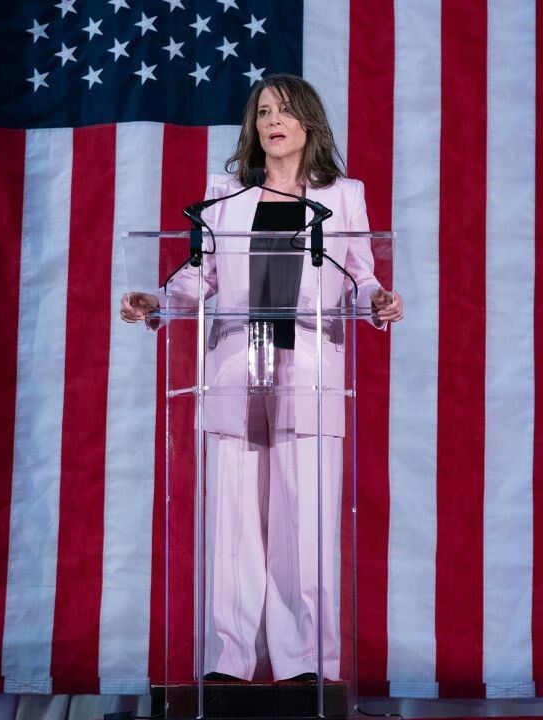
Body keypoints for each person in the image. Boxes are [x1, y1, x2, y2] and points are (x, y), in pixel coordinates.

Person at [121, 73, 403, 682]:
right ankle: (230, 661)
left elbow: (360, 277)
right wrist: (158, 300)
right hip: (235, 369)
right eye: (263, 112)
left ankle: (307, 664)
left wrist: (380, 301)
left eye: (286, 111)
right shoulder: (225, 197)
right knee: (233, 525)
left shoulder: (342, 196)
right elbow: (201, 276)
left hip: (309, 372)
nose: (273, 121)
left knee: (306, 522)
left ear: (309, 122)